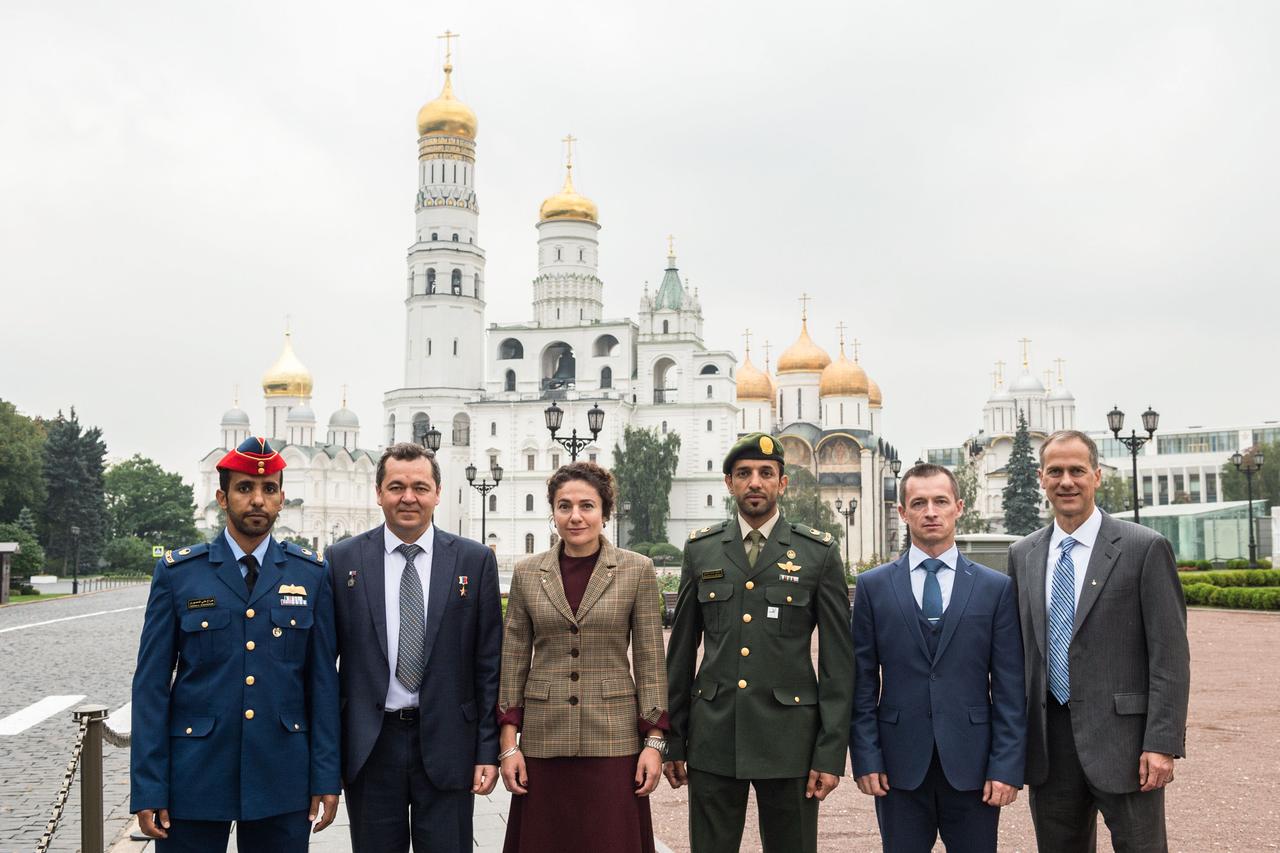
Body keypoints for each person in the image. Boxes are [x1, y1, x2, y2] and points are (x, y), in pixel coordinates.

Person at [130, 437, 340, 852]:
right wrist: (149, 786)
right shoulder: (179, 574)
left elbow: (322, 685)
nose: (258, 500)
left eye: (269, 489)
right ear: (222, 498)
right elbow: (151, 686)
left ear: (282, 499)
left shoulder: (311, 574)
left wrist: (325, 776)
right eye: (245, 488)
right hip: (194, 776)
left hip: (281, 773)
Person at [665, 432, 854, 853]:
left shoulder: (817, 553)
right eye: (744, 473)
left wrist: (828, 752)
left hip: (790, 741)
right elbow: (679, 654)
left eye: (766, 473)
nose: (755, 482)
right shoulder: (702, 550)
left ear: (782, 484)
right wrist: (672, 738)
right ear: (729, 483)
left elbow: (839, 664)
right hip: (713, 736)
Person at [1007, 430, 1190, 853]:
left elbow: (1170, 657)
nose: (1066, 481)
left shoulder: (1144, 548)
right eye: (1055, 471)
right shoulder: (1024, 554)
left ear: (1097, 476)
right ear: (1041, 478)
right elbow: (1020, 653)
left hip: (1127, 746)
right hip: (1050, 746)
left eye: (1077, 470)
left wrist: (1161, 744)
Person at [326, 442, 502, 852]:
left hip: (448, 742)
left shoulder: (473, 561)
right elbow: (324, 666)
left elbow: (489, 662)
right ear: (378, 492)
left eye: (420, 487)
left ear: (437, 493)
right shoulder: (341, 560)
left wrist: (487, 750)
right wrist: (326, 758)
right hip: (371, 745)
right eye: (397, 486)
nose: (408, 497)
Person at [850, 463, 1025, 853]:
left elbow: (1011, 687)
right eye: (919, 502)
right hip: (897, 767)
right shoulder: (873, 587)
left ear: (959, 507)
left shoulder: (995, 589)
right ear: (902, 512)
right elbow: (861, 682)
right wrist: (866, 757)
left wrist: (1006, 766)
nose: (931, 511)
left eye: (940, 501)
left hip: (974, 765)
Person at [497, 461, 668, 853]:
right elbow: (514, 660)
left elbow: (650, 661)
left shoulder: (636, 570)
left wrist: (654, 743)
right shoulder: (527, 573)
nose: (575, 516)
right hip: (543, 739)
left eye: (587, 506)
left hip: (613, 739)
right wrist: (509, 744)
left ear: (605, 513)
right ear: (553, 512)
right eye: (564, 506)